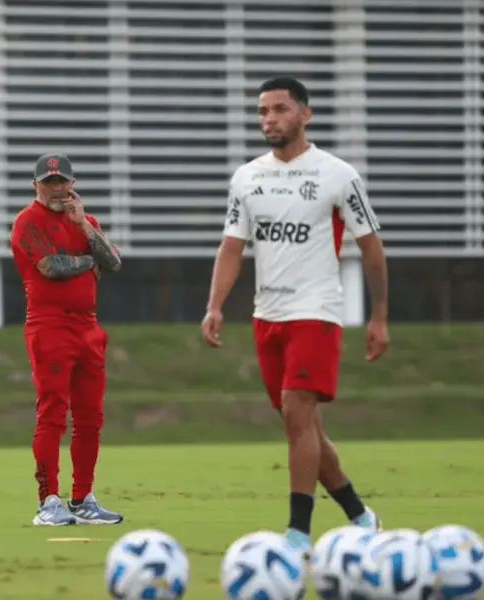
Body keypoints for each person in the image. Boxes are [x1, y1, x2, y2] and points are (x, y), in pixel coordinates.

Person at [200, 76, 389, 553]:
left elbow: (371, 249)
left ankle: (297, 534)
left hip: (317, 312)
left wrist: (379, 315)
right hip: (268, 317)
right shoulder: (247, 177)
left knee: (297, 412)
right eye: (263, 111)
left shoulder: (337, 174)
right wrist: (215, 306)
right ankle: (360, 516)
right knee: (302, 427)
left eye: (280, 109)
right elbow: (230, 248)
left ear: (305, 114)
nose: (269, 119)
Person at [9, 153, 125, 526]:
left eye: (62, 182)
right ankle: (48, 501)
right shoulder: (27, 222)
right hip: (48, 325)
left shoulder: (85, 221)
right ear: (36, 186)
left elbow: (115, 263)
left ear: (72, 184)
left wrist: (86, 230)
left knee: (90, 416)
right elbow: (51, 267)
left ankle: (82, 498)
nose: (56, 188)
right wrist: (88, 261)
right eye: (49, 182)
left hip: (88, 326)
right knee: (53, 412)